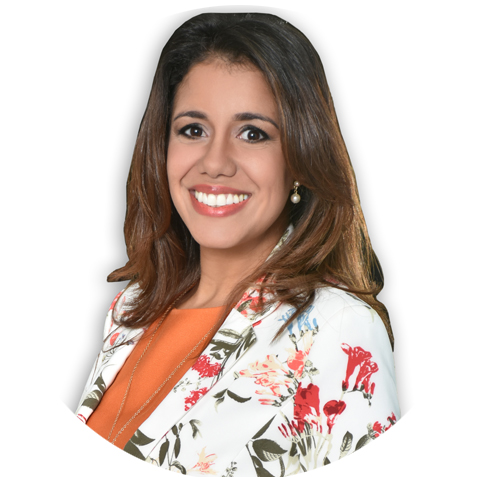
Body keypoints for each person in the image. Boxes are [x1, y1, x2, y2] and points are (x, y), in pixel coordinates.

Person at [76, 12, 400, 475]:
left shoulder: (338, 330)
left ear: (301, 158)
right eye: (193, 129)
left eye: (253, 134)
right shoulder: (131, 310)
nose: (215, 162)